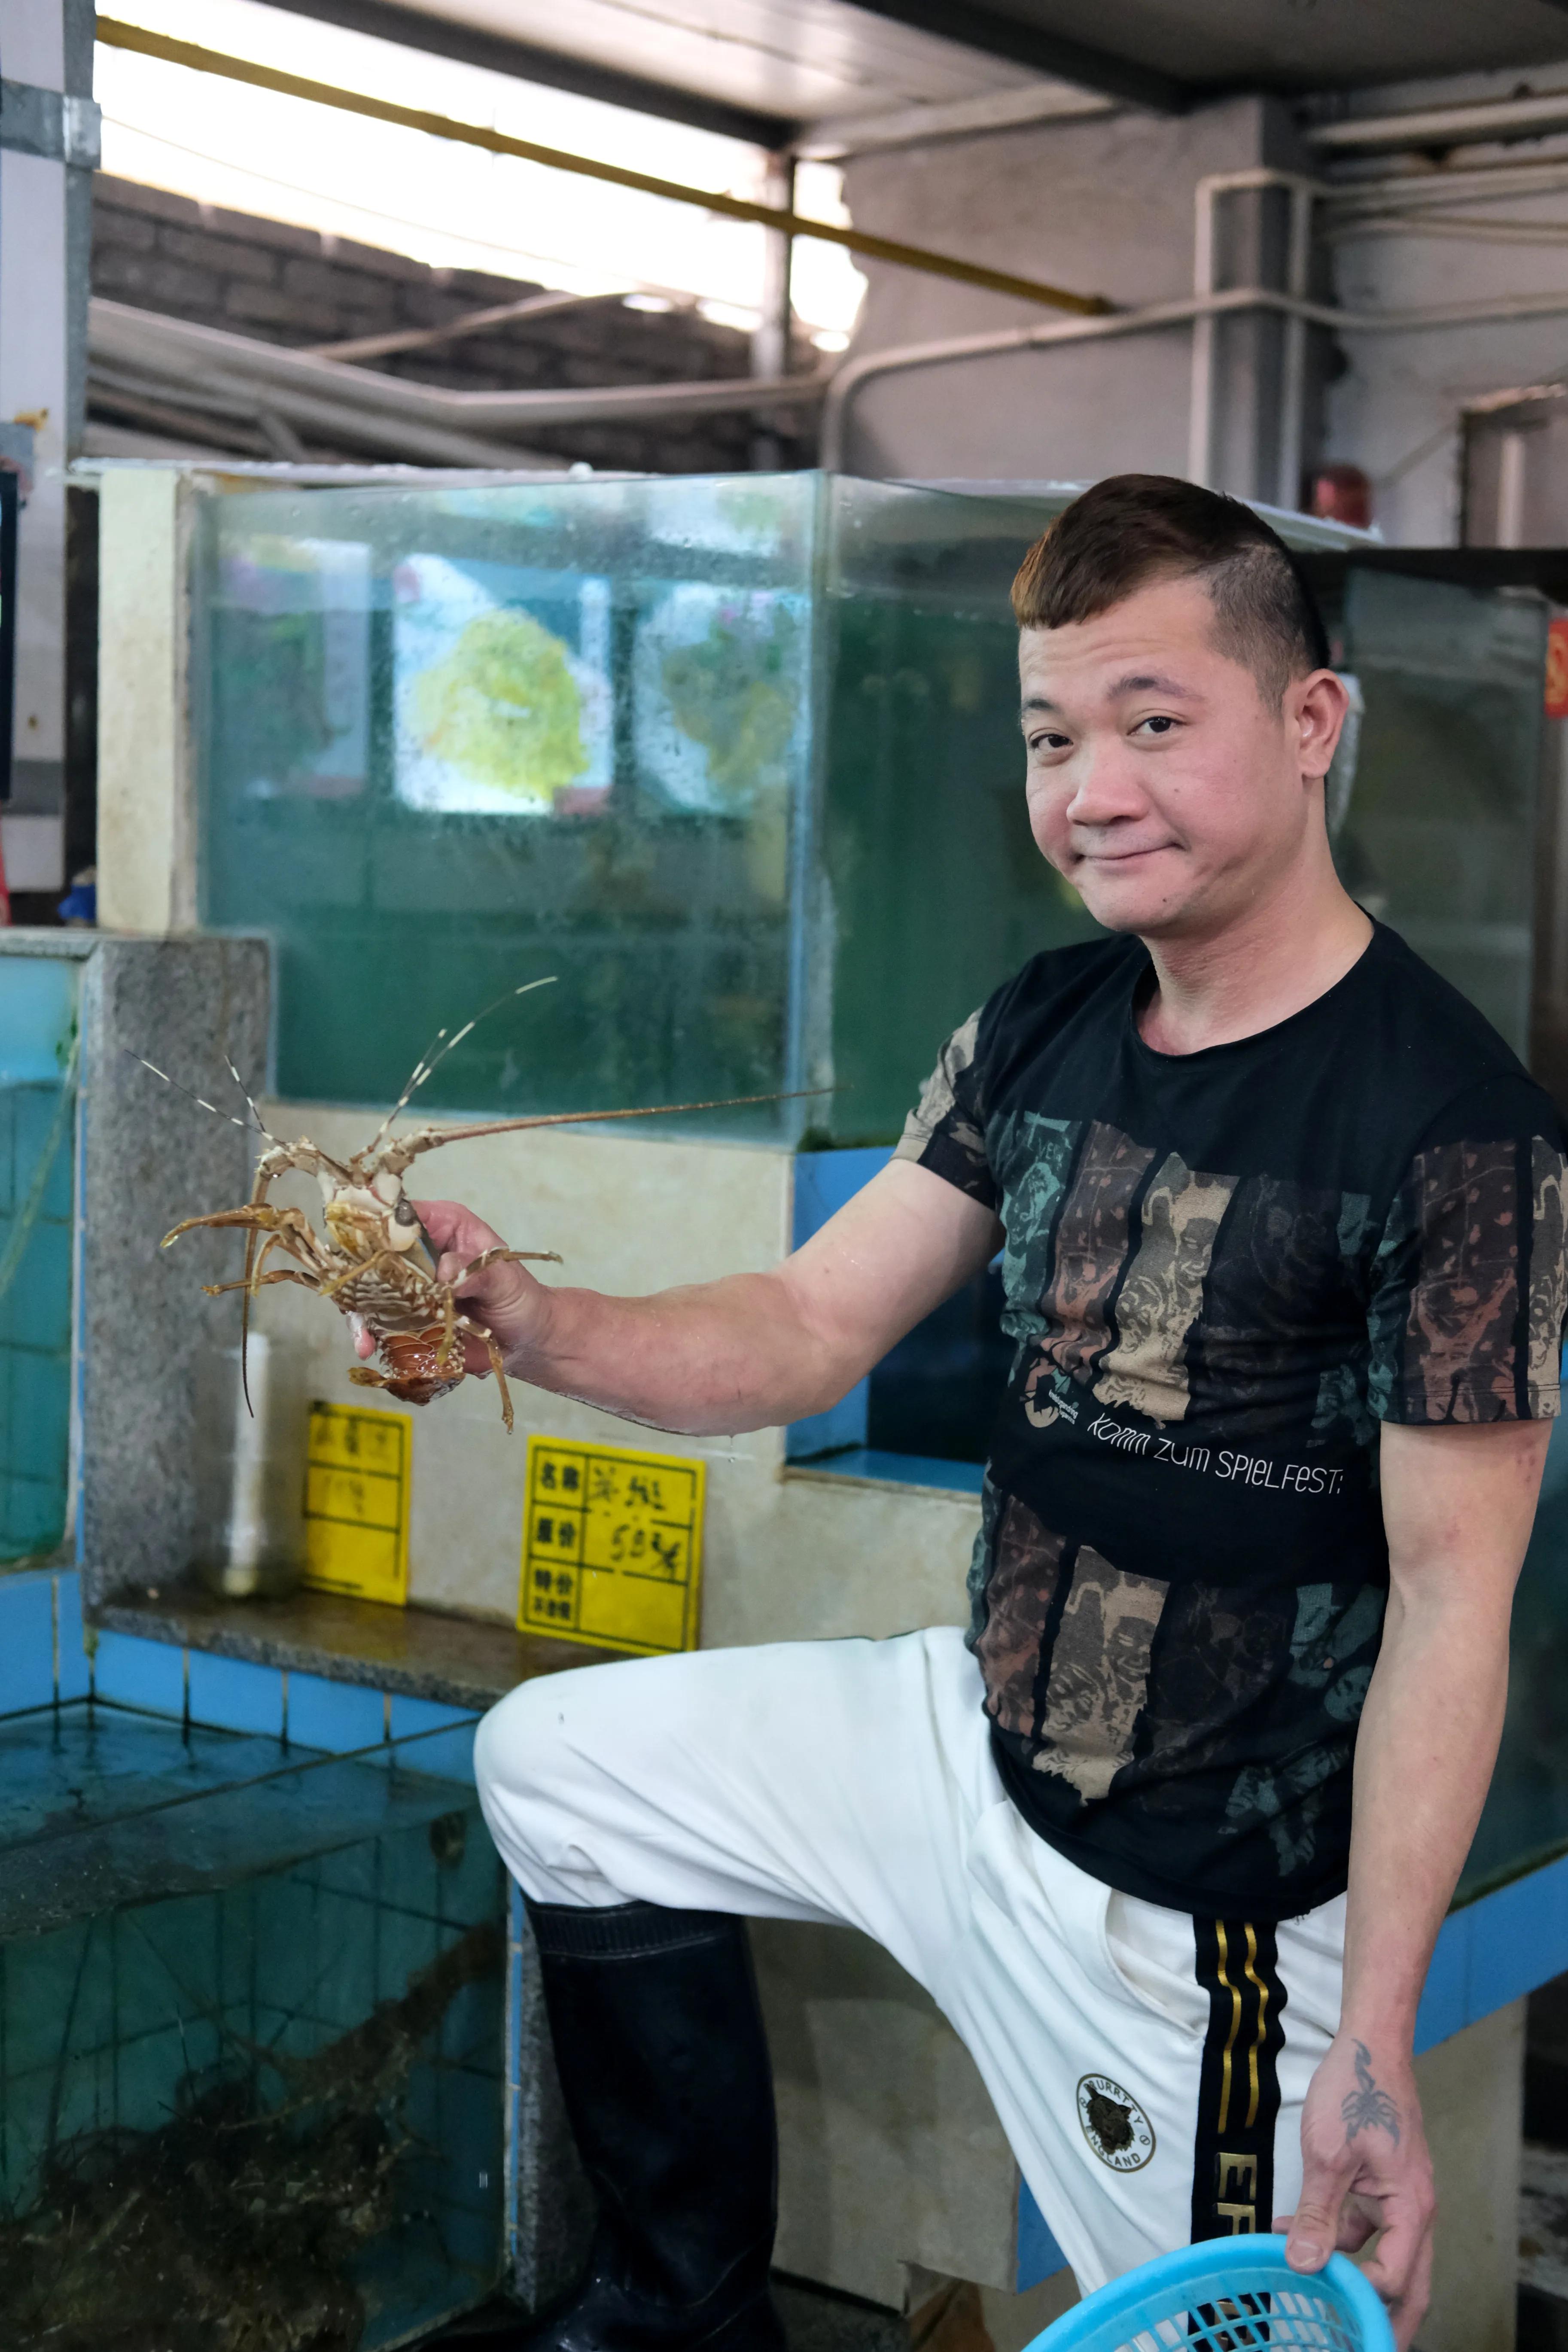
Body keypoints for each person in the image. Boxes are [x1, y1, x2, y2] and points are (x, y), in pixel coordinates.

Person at [402, 476, 1567, 2352]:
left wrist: (1372, 2038)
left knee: (1228, 2336)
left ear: (1310, 722)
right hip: (970, 1749)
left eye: (1152, 722)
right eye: (1050, 737)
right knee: (563, 1768)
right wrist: (532, 1322)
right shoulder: (1039, 1021)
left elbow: (1451, 1605)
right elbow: (805, 1322)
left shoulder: (1458, 1132)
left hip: (1196, 1915)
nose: (1091, 790)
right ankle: (679, 2317)